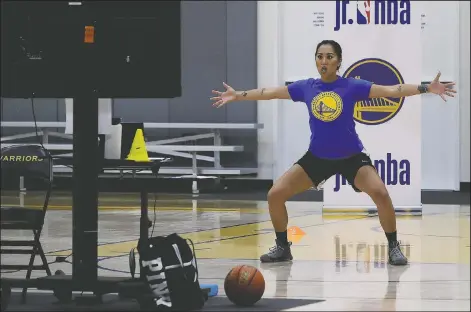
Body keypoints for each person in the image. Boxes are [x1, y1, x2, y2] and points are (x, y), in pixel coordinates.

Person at [210, 39, 457, 265]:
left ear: (339, 61)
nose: (324, 61)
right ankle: (283, 247)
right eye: (320, 56)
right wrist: (238, 96)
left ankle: (394, 247)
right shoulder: (306, 87)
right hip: (317, 157)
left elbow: (393, 90)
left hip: (351, 157)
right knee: (275, 195)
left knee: (381, 193)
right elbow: (270, 93)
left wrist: (427, 88)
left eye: (329, 57)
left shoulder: (352, 86)